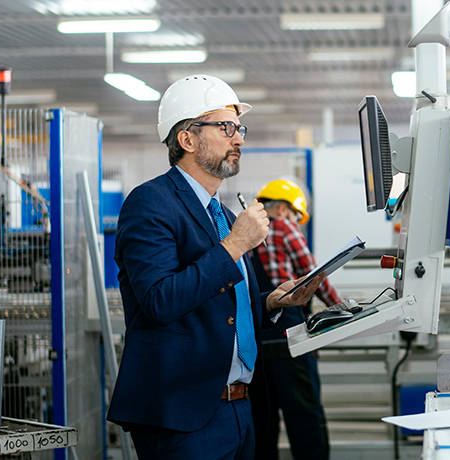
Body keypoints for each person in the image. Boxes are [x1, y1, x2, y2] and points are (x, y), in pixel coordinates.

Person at [106, 74, 325, 460]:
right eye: (225, 127)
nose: (238, 138)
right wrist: (236, 244)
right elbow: (159, 300)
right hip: (183, 416)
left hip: (238, 407)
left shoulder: (220, 213)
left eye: (239, 128)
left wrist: (271, 302)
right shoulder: (150, 203)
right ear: (187, 139)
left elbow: (221, 310)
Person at [248, 179, 342, 460]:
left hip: (254, 343)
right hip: (290, 343)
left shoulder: (239, 232)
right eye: (293, 215)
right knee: (305, 422)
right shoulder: (282, 227)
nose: (294, 222)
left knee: (262, 428)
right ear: (281, 207)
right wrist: (340, 308)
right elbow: (313, 277)